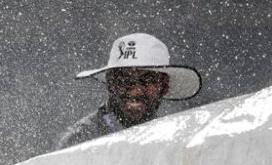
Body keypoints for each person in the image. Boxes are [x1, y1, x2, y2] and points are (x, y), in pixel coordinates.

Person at [55, 33, 202, 150]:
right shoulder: (80, 142)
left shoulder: (173, 142)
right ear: (110, 83)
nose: (135, 91)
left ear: (164, 87)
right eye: (124, 79)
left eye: (148, 80)